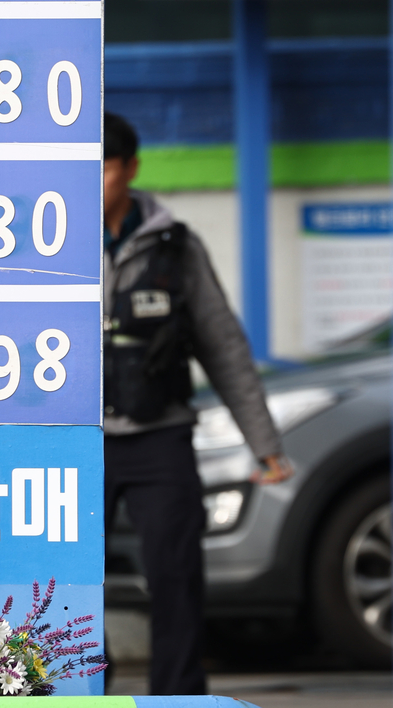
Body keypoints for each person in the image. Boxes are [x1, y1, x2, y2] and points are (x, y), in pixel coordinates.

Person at [102, 112, 293, 696]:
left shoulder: (176, 247)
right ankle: (79, 689)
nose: (89, 180)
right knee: (62, 584)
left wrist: (265, 446)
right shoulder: (44, 240)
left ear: (131, 169)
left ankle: (179, 698)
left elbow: (224, 345)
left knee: (176, 576)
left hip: (161, 435)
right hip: (74, 438)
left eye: (104, 167)